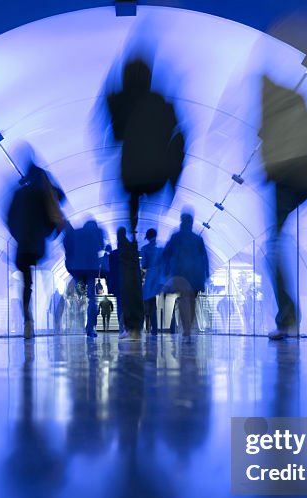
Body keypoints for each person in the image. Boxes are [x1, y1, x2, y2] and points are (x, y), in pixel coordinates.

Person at [259, 74, 307, 340]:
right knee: (276, 244)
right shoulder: (296, 100)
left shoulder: (272, 108)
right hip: (304, 178)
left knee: (273, 247)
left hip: (285, 179)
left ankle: (288, 317)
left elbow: (273, 150)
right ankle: (288, 317)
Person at [105, 57, 185, 232]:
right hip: (157, 174)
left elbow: (115, 137)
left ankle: (132, 230)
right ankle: (150, 231)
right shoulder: (163, 104)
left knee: (132, 192)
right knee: (147, 192)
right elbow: (176, 134)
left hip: (131, 173)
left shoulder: (120, 102)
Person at [5, 146, 67, 339]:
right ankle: (37, 317)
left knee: (26, 283)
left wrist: (17, 234)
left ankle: (27, 321)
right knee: (37, 278)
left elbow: (7, 217)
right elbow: (61, 198)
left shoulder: (18, 192)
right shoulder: (43, 192)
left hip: (22, 244)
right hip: (37, 245)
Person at [160, 212, 210, 340]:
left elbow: (166, 253)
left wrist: (166, 271)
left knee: (184, 299)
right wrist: (206, 273)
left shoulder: (176, 237)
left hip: (181, 273)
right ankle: (187, 327)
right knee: (191, 299)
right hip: (194, 275)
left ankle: (187, 327)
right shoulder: (197, 239)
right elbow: (204, 257)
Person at [63, 219, 107, 338]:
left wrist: (70, 260)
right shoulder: (98, 232)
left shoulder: (76, 233)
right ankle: (90, 327)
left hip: (77, 269)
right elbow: (102, 246)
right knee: (92, 299)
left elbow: (66, 243)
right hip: (91, 269)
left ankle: (79, 291)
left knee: (80, 293)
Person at [118, 226, 144, 339]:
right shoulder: (129, 245)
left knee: (125, 304)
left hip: (126, 279)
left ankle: (126, 329)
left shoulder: (122, 246)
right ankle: (135, 329)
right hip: (133, 279)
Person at [140, 228, 163, 335]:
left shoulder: (144, 249)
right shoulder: (159, 250)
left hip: (149, 277)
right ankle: (154, 329)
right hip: (157, 279)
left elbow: (144, 264)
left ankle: (141, 327)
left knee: (145, 303)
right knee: (153, 304)